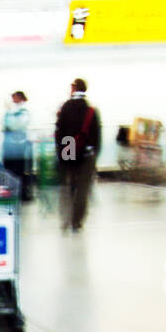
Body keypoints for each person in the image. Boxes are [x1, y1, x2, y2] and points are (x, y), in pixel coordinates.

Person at [55, 77, 102, 231]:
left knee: (68, 185)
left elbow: (59, 132)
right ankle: (77, 222)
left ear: (74, 89)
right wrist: (94, 153)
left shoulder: (66, 107)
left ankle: (65, 220)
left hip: (69, 147)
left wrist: (61, 152)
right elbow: (97, 135)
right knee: (82, 188)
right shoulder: (91, 110)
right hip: (87, 152)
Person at [2, 92, 32, 199]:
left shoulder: (23, 110)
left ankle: (20, 192)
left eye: (14, 97)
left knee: (19, 169)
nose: (12, 99)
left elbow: (15, 125)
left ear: (19, 97)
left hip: (19, 145)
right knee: (11, 168)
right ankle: (13, 190)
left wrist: (9, 124)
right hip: (11, 145)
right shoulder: (13, 110)